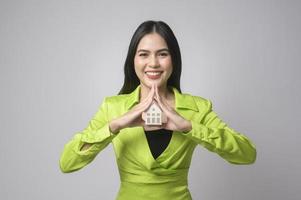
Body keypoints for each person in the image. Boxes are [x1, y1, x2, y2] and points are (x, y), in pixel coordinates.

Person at [59, 20, 257, 200]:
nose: (153, 63)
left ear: (174, 59)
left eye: (162, 54)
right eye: (143, 54)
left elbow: (247, 154)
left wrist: (188, 126)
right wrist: (117, 124)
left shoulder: (197, 108)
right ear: (133, 60)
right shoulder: (113, 107)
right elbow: (67, 163)